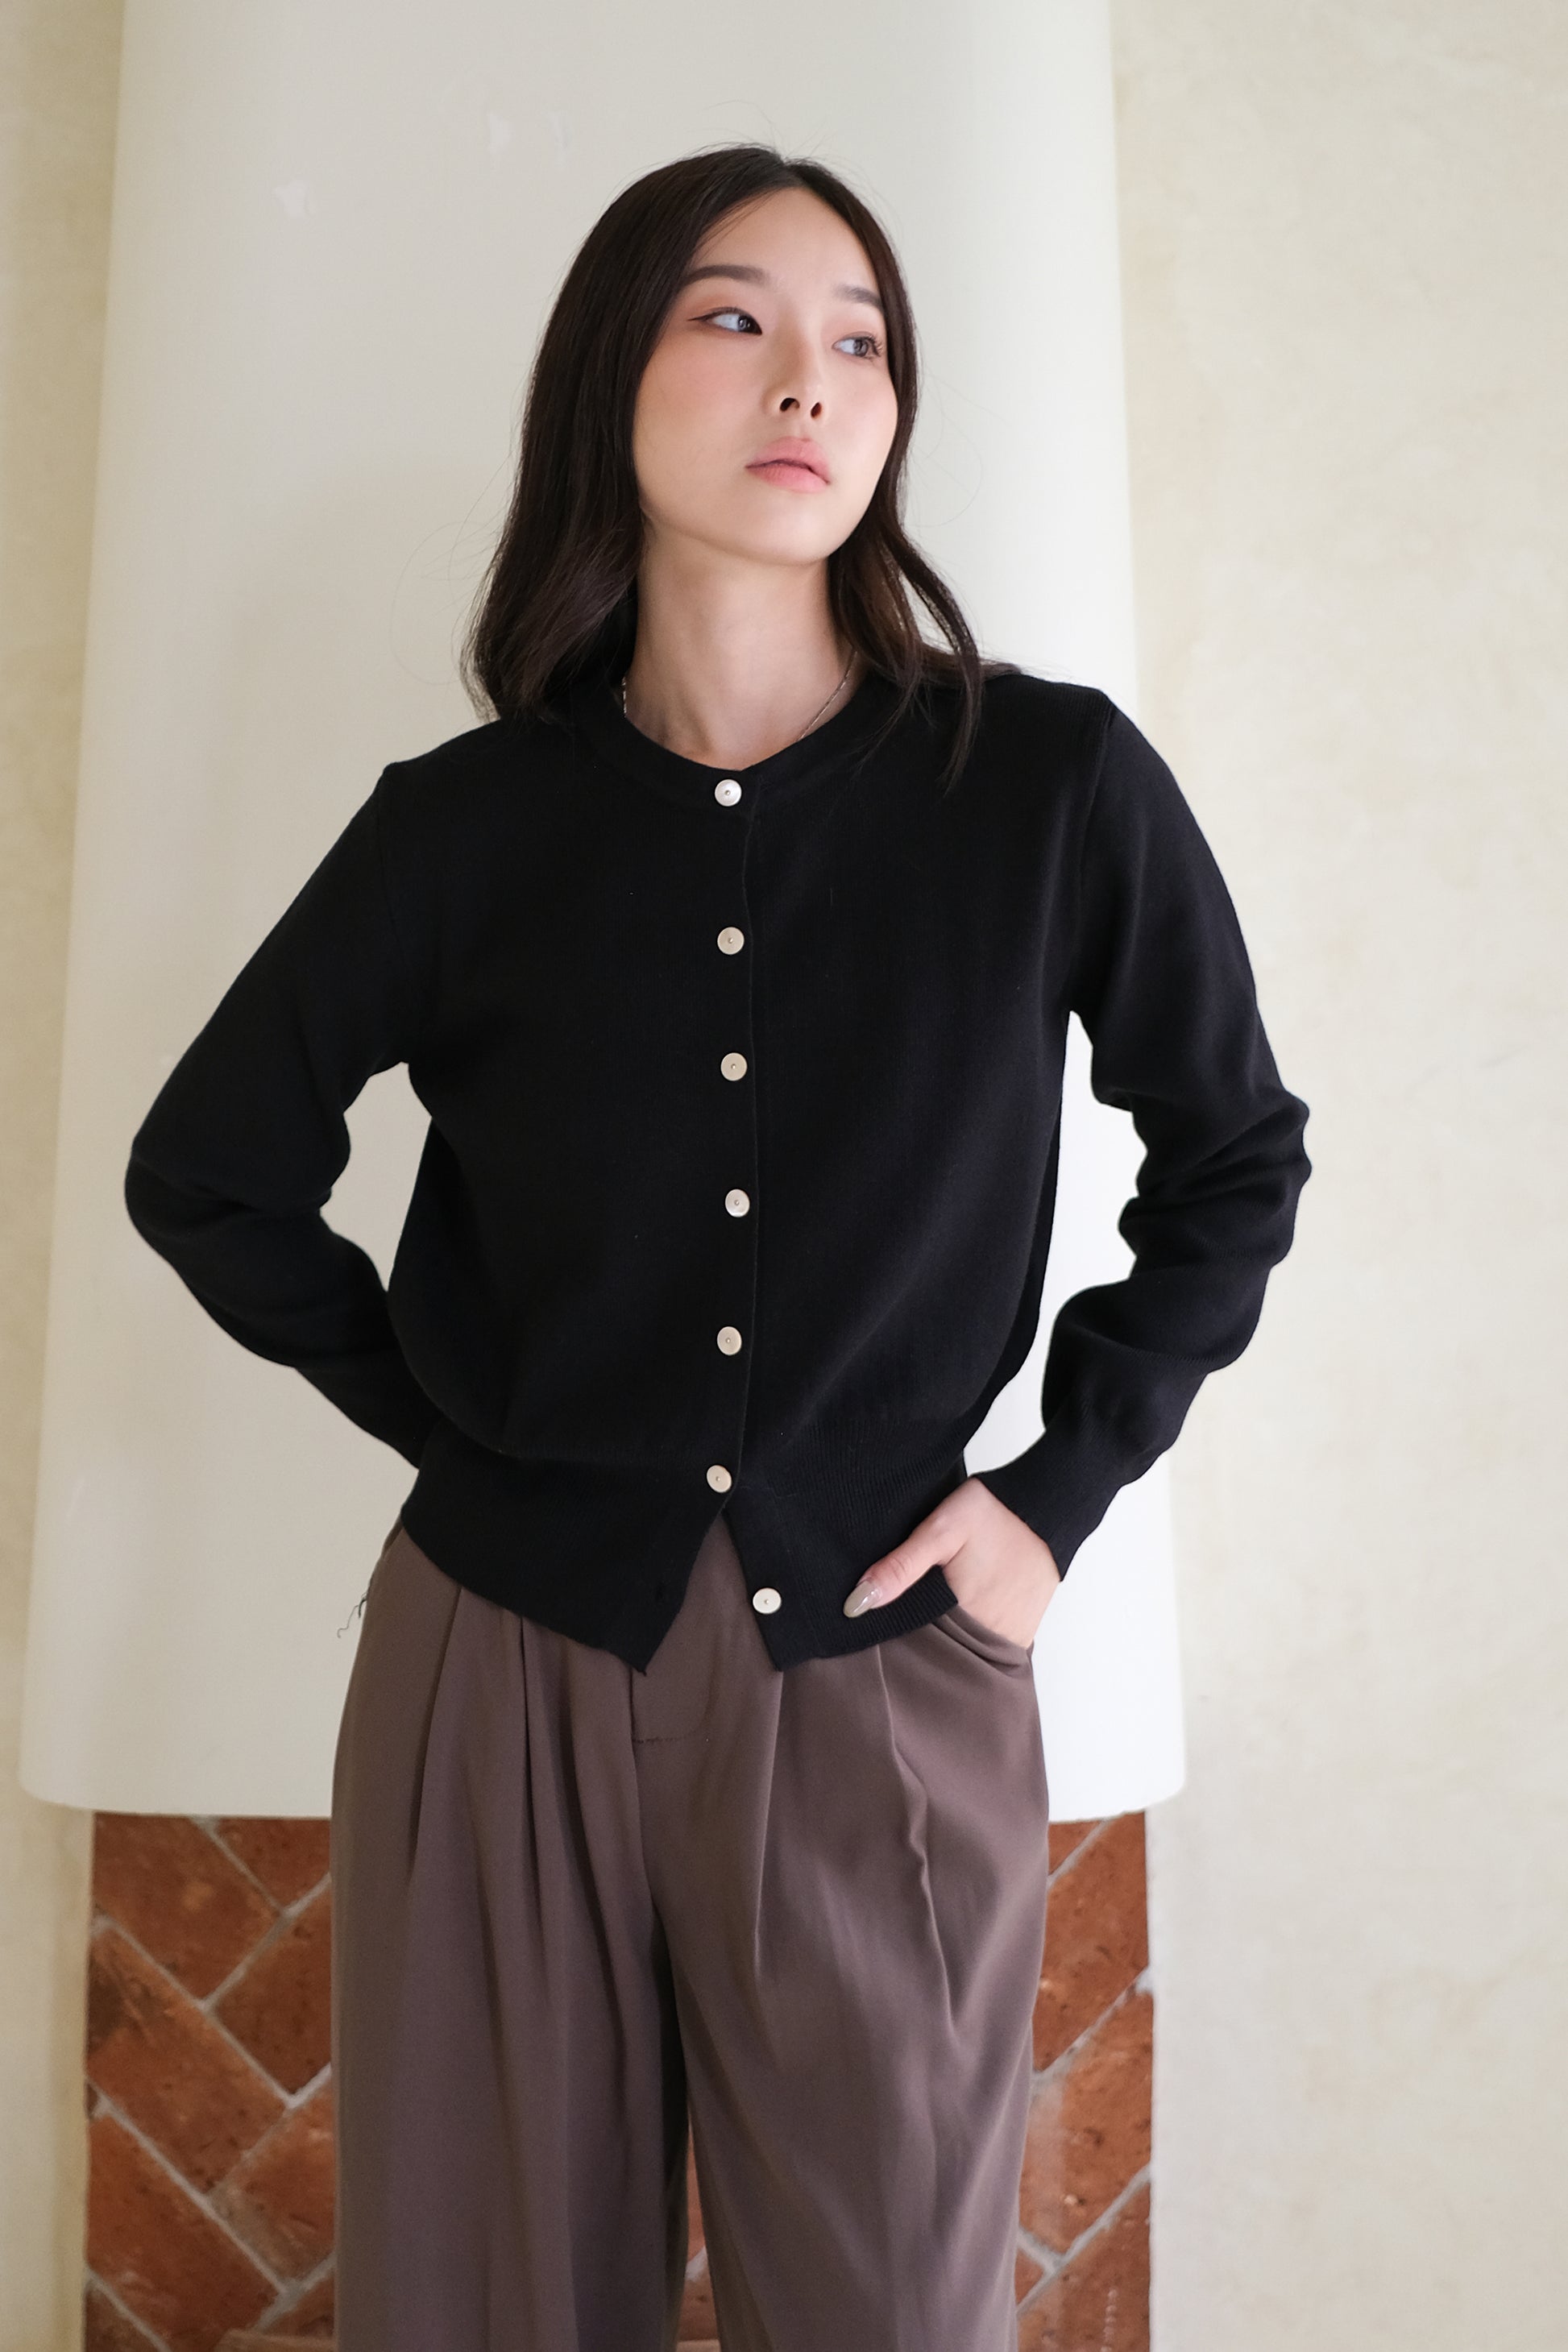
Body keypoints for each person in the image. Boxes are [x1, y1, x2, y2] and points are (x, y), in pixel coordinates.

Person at [123, 143, 1310, 2352]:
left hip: (880, 1656)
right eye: (735, 317)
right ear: (615, 375)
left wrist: (1054, 1495)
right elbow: (209, 1171)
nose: (810, 381)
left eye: (860, 340)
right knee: (481, 2307)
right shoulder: (463, 830)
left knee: (887, 2308)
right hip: (503, 1655)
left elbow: (1234, 1156)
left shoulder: (1045, 787)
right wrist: (470, 1433)